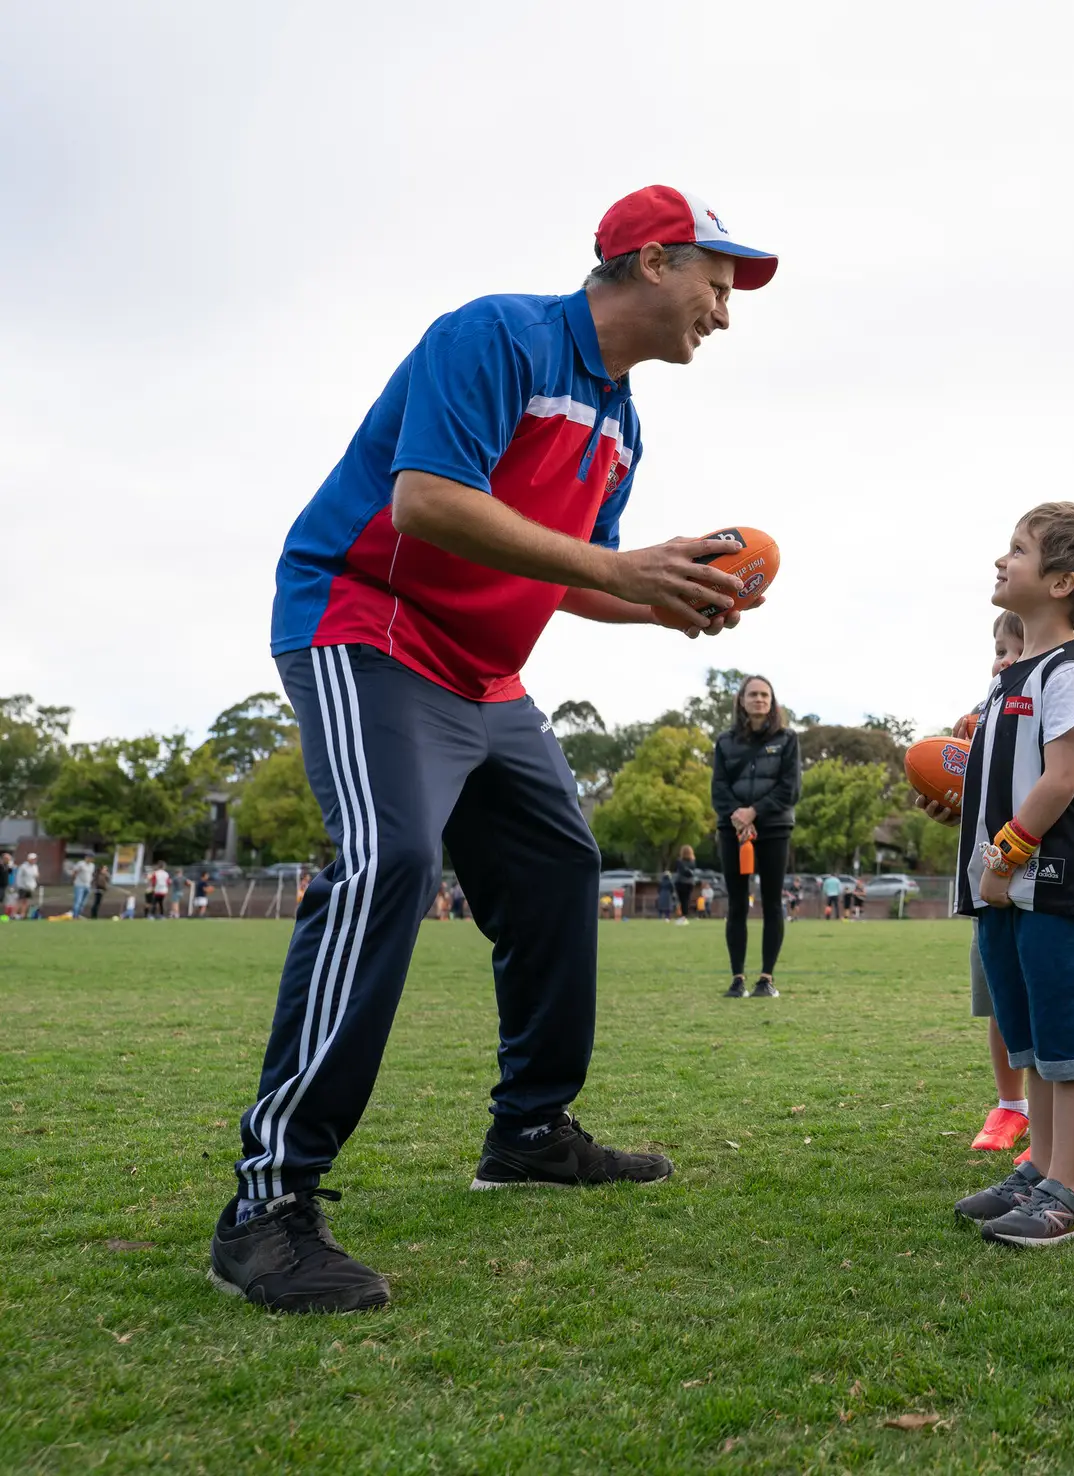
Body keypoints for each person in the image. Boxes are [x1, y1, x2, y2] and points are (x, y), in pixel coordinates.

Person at [209, 184, 777, 1314]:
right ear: (652, 261)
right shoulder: (497, 336)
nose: (724, 309)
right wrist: (622, 569)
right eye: (716, 283)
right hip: (367, 624)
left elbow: (570, 571)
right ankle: (267, 1205)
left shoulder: (623, 423)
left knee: (560, 865)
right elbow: (426, 503)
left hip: (485, 672)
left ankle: (528, 1133)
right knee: (390, 861)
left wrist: (663, 598)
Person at [941, 500, 1074, 1250]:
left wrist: (1004, 857)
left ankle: (1069, 1192)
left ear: (1060, 582)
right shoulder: (1009, 675)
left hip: (1051, 886)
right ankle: (1040, 1168)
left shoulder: (1070, 674)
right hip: (1005, 895)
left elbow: (1060, 779)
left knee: (1065, 1047)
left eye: (1017, 549)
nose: (1001, 559)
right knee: (1031, 1043)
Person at [964, 611, 1032, 1155]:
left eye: (1014, 649)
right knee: (999, 999)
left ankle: (1048, 1124)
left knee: (1045, 1002)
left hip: (1037, 878)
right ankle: (1011, 1106)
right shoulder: (985, 712)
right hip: (987, 879)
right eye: (998, 650)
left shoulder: (1056, 694)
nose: (1002, 660)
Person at [711, 676, 801, 998]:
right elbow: (719, 787)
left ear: (772, 701)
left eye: (765, 694)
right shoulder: (725, 741)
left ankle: (766, 979)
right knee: (737, 904)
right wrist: (737, 816)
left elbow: (790, 788)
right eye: (753, 694)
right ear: (742, 700)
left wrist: (754, 812)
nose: (759, 699)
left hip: (774, 828)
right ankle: (737, 979)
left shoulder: (787, 739)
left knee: (772, 903)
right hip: (733, 830)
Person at [672, 846, 698, 926]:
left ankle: (682, 917)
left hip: (680, 882)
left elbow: (679, 870)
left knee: (681, 900)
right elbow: (692, 871)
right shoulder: (693, 861)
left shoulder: (679, 861)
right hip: (690, 883)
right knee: (686, 900)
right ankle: (684, 917)